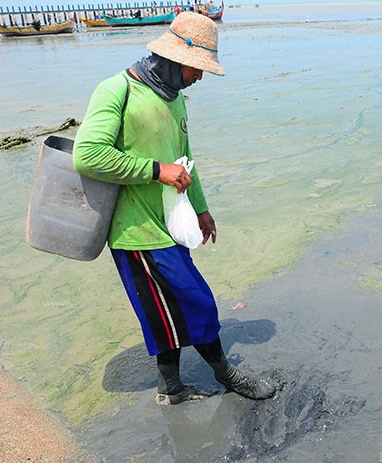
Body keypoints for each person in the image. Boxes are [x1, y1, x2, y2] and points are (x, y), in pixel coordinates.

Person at [74, 12, 278, 406]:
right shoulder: (117, 90)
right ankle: (227, 374)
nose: (199, 77)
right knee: (194, 300)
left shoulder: (175, 99)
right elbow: (87, 155)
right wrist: (154, 171)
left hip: (170, 222)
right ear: (172, 59)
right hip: (133, 229)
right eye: (196, 68)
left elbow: (184, 159)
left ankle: (171, 389)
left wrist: (201, 209)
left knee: (164, 310)